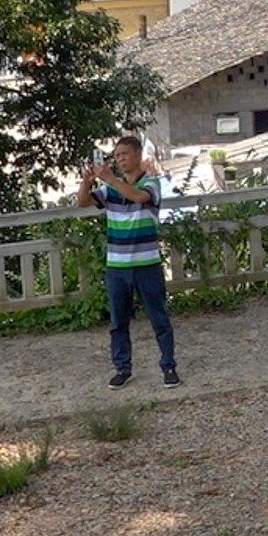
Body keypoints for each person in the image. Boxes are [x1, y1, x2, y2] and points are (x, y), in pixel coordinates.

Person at [78, 135, 180, 389]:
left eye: (124, 154)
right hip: (117, 266)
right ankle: (122, 368)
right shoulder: (110, 190)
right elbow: (83, 203)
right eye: (117, 156)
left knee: (159, 318)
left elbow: (139, 197)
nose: (120, 160)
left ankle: (168, 366)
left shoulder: (152, 183)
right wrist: (87, 182)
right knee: (118, 322)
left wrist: (109, 178)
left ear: (137, 155)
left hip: (147, 264)